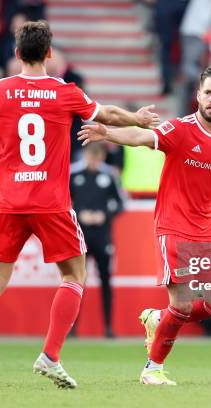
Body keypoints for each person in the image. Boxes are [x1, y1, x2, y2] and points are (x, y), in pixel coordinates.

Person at [0, 20, 159, 390]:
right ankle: (51, 355)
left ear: (16, 54)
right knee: (74, 276)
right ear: (49, 53)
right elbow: (104, 114)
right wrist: (136, 117)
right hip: (51, 202)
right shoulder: (63, 91)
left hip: (9, 202)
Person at [79, 66, 211, 385]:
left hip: (206, 230)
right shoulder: (180, 129)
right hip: (174, 226)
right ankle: (152, 368)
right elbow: (141, 136)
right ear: (197, 95)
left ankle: (158, 318)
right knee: (181, 305)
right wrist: (108, 133)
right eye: (208, 92)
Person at [69, 142, 125, 338]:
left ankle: (108, 327)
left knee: (106, 280)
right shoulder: (74, 175)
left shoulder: (109, 176)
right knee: (77, 281)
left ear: (102, 156)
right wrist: (79, 214)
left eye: (97, 156)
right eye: (91, 156)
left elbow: (120, 203)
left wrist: (104, 214)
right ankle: (72, 327)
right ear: (85, 155)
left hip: (102, 235)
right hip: (80, 236)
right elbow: (64, 203)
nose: (94, 160)